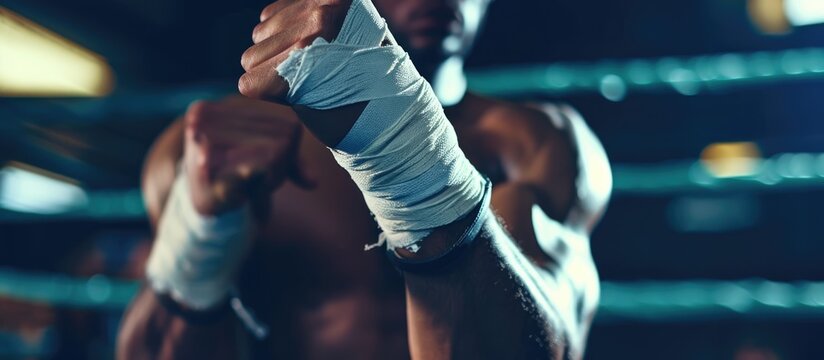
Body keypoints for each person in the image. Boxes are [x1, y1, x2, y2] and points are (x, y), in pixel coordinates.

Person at [117, 0, 612, 358]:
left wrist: (416, 167)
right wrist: (199, 241)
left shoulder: (536, 143)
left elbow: (552, 349)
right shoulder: (221, 143)